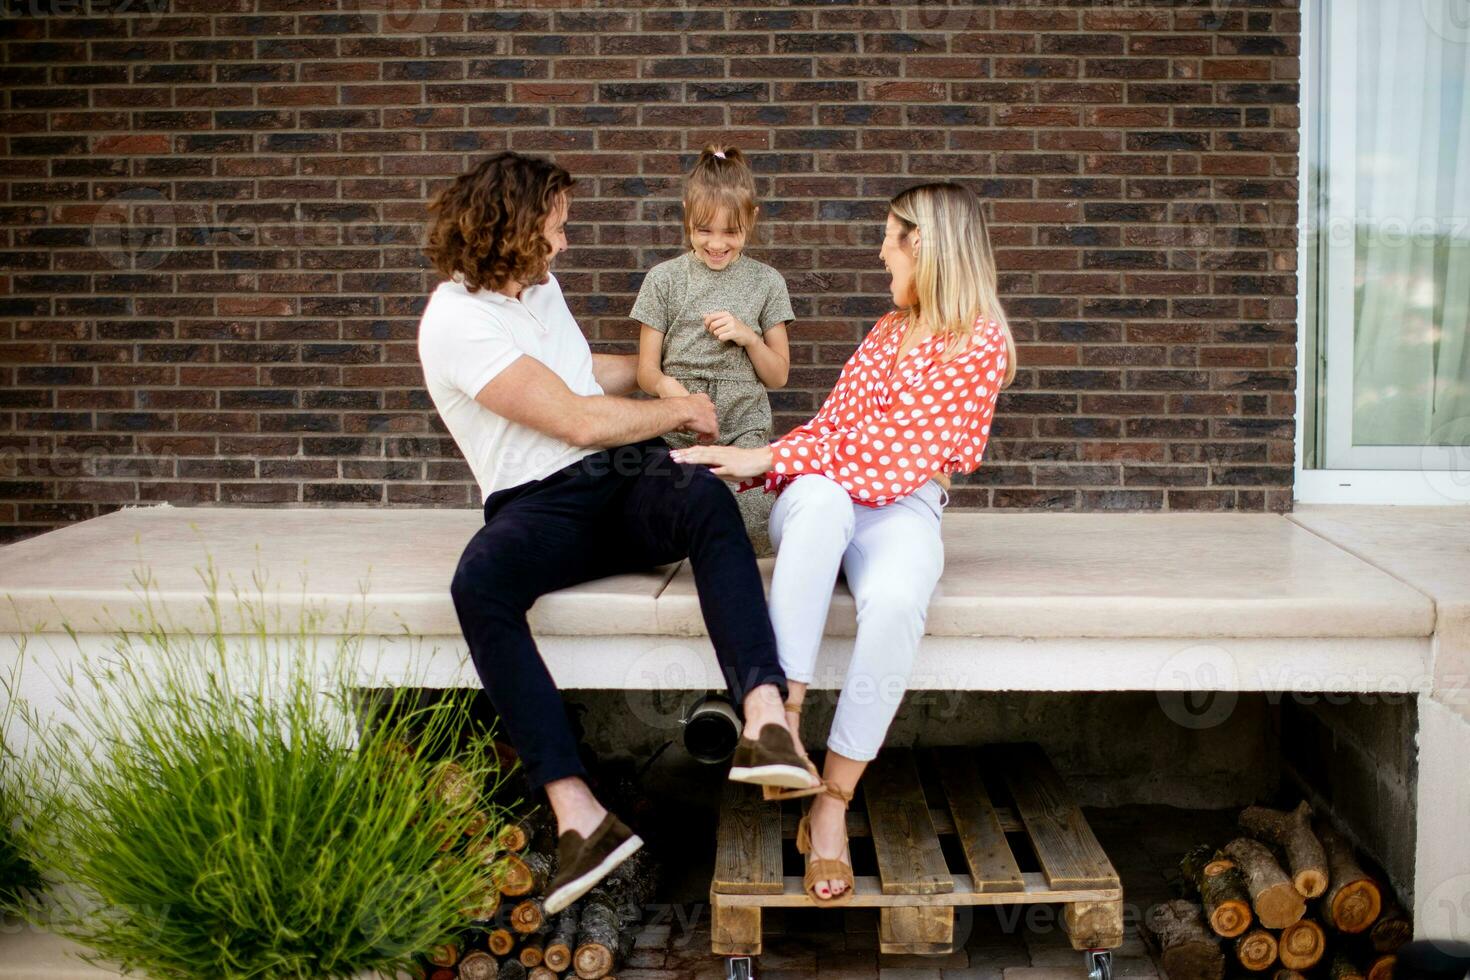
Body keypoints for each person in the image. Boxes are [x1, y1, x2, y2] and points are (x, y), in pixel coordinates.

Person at [415, 152, 820, 915]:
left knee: (704, 498)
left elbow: (580, 376)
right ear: (511, 228)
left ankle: (765, 719)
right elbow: (570, 418)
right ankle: (578, 815)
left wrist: (657, 371)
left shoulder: (538, 288)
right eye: (556, 229)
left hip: (618, 476)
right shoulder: (457, 321)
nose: (564, 244)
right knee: (479, 583)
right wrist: (680, 411)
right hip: (536, 504)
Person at [672, 182, 1017, 906]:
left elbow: (898, 455)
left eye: (890, 239)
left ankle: (830, 806)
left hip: (903, 502)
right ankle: (783, 727)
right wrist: (779, 456)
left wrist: (765, 458)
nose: (880, 252)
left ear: (922, 245)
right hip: (824, 493)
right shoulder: (888, 331)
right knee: (824, 501)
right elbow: (832, 430)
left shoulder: (978, 340)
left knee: (894, 603)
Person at [631, 144, 793, 556]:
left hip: (743, 429)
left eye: (731, 232)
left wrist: (749, 337)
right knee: (674, 514)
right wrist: (672, 392)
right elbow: (646, 372)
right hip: (675, 431)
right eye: (704, 229)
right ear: (686, 214)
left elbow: (778, 375)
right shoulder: (663, 280)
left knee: (753, 527)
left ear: (751, 220)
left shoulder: (766, 282)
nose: (717, 243)